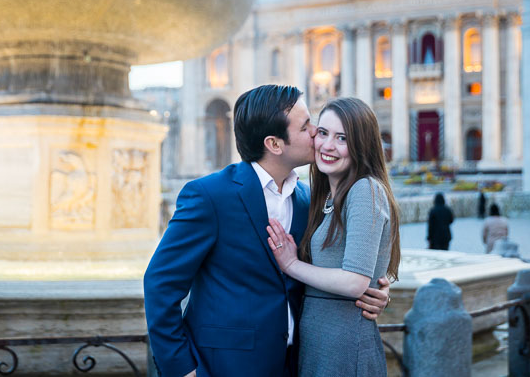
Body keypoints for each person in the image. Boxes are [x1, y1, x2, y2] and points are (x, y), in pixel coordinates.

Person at [143, 86, 389, 377]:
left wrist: (376, 290)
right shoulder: (210, 196)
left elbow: (340, 264)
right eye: (306, 126)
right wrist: (181, 368)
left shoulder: (308, 199)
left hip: (298, 363)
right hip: (225, 366)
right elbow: (160, 282)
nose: (316, 133)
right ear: (274, 143)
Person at [266, 97, 401, 377]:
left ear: (362, 144)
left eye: (342, 138)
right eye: (323, 133)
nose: (328, 146)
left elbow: (355, 281)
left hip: (343, 349)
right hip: (319, 346)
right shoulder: (324, 195)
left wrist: (292, 265)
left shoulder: (365, 190)